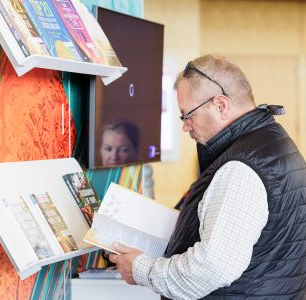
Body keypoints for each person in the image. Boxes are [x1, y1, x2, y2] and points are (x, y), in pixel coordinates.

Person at [109, 54, 306, 299]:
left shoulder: (241, 168)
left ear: (221, 105)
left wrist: (140, 269)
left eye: (187, 115)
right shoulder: (274, 143)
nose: (185, 126)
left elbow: (211, 268)